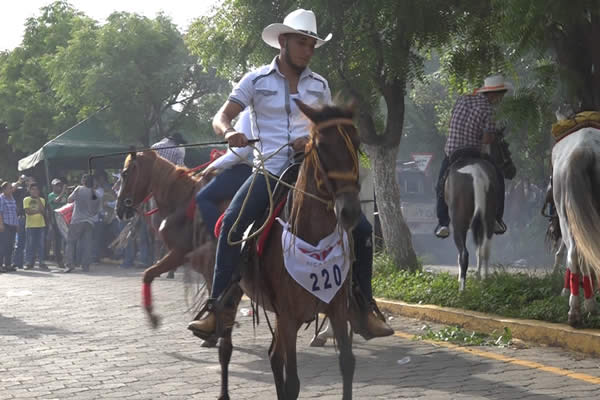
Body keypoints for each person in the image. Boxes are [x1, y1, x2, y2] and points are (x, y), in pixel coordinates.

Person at [188, 9, 393, 339]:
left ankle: (364, 307)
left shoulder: (320, 84)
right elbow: (222, 116)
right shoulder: (254, 80)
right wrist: (228, 133)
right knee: (231, 223)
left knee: (363, 230)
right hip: (268, 171)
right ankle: (217, 307)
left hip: (309, 171)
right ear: (282, 41)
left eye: (312, 45)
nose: (308, 51)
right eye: (302, 43)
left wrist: (311, 139)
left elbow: (328, 130)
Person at [434, 74, 512, 239]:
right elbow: (487, 139)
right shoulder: (489, 110)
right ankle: (497, 219)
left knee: (440, 186)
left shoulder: (462, 99)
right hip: (473, 152)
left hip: (452, 152)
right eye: (500, 95)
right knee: (498, 178)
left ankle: (442, 224)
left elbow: (450, 123)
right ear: (494, 94)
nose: (500, 99)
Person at [195, 108, 253, 232]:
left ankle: (219, 239)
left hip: (244, 170)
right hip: (256, 168)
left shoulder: (248, 114)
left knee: (202, 197)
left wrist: (212, 166)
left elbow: (239, 153)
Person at [64, 174, 101, 272]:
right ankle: (86, 265)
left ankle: (69, 264)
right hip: (89, 221)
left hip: (77, 220)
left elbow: (69, 200)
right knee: (87, 244)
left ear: (84, 181)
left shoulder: (79, 189)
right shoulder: (96, 194)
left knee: (71, 242)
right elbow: (96, 210)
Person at [23, 183, 47, 270]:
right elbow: (28, 211)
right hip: (30, 226)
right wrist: (38, 211)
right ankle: (28, 262)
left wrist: (38, 199)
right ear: (29, 190)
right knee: (30, 245)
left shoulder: (42, 200)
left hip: (41, 225)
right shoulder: (26, 199)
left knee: (41, 245)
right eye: (33, 189)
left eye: (36, 189)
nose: (34, 191)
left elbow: (43, 212)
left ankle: (41, 262)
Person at [11, 175, 31, 269]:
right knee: (20, 241)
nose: (26, 181)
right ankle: (16, 262)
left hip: (31, 218)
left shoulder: (33, 190)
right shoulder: (19, 189)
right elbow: (11, 190)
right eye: (25, 180)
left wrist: (31, 185)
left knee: (29, 241)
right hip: (21, 217)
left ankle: (27, 262)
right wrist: (18, 181)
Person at [48, 178, 68, 268]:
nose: (59, 187)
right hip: (55, 219)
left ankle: (67, 258)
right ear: (53, 186)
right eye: (56, 185)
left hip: (64, 219)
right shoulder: (51, 195)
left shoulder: (64, 194)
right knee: (57, 241)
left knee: (66, 239)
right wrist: (63, 192)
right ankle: (59, 260)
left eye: (60, 185)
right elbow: (56, 200)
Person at [0, 181, 18, 272]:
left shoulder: (12, 197)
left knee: (10, 245)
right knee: (3, 245)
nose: (11, 189)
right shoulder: (1, 198)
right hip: (5, 224)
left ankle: (8, 264)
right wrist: (1, 224)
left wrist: (17, 224)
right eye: (9, 188)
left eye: (11, 188)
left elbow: (14, 211)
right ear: (4, 189)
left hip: (13, 224)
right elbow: (0, 212)